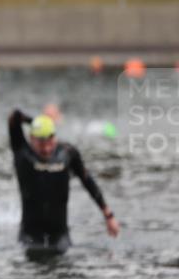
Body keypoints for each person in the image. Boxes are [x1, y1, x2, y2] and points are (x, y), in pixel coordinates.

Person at [9, 110, 119, 258]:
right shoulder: (22, 152)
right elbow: (14, 117)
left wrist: (108, 215)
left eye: (50, 142)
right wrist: (37, 122)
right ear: (31, 139)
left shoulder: (67, 153)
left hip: (60, 237)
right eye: (41, 144)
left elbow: (87, 181)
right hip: (30, 237)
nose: (47, 149)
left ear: (55, 137)